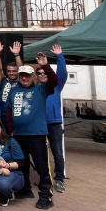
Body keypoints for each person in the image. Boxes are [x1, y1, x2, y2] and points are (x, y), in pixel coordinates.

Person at [7, 52, 58, 210]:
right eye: (22, 75)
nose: (24, 78)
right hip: (19, 135)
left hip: (37, 135)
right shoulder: (13, 91)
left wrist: (45, 65)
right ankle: (25, 189)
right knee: (22, 165)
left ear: (33, 77)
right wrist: (11, 131)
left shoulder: (41, 89)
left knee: (42, 166)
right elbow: (9, 111)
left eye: (27, 75)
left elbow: (54, 81)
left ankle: (46, 195)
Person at [44, 45, 68, 193]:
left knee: (57, 153)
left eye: (45, 73)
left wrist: (59, 56)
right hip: (40, 125)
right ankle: (45, 178)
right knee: (41, 154)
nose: (42, 75)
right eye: (39, 73)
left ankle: (59, 179)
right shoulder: (36, 88)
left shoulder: (56, 86)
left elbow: (62, 73)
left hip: (54, 124)